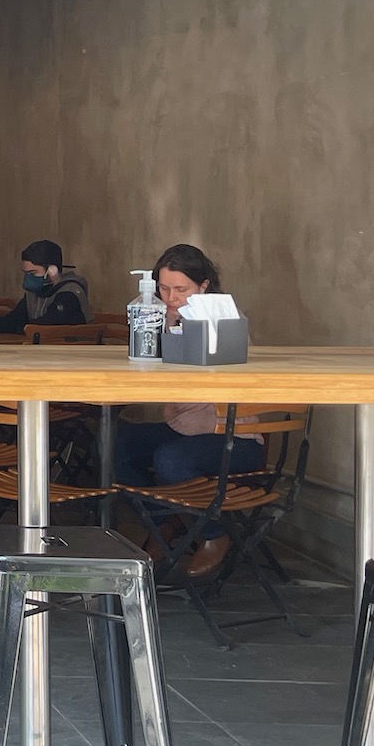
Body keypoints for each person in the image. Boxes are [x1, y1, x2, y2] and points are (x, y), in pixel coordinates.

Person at [113, 242, 262, 578]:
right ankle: (165, 520)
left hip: (231, 436)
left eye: (181, 289)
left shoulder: (224, 317)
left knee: (170, 459)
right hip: (183, 427)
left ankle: (213, 532)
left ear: (204, 286)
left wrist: (184, 328)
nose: (171, 297)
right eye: (164, 288)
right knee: (114, 443)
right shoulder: (159, 315)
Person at [0, 239, 89, 334]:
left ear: (52, 271)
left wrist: (19, 327)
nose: (28, 278)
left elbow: (44, 325)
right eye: (26, 273)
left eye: (33, 273)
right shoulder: (35, 292)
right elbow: (14, 319)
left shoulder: (70, 292)